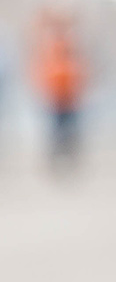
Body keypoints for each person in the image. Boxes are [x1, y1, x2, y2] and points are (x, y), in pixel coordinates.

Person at [30, 10, 85, 170]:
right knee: (56, 131)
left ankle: (68, 158)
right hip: (56, 97)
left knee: (68, 131)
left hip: (69, 96)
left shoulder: (71, 46)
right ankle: (56, 159)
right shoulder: (52, 46)